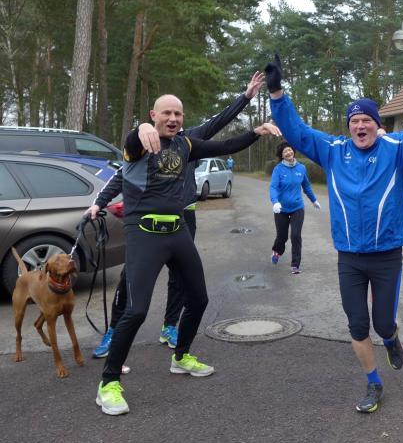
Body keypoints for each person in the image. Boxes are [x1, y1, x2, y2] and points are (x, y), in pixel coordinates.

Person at [266, 52, 403, 413]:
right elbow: (298, 132)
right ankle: (373, 383)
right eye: (354, 121)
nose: (360, 126)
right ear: (348, 126)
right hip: (350, 257)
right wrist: (277, 93)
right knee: (357, 325)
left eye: (366, 119)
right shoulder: (333, 151)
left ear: (376, 123)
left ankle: (392, 338)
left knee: (383, 323)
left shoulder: (397, 150)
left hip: (386, 256)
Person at [94, 93, 279, 416]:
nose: (173, 118)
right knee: (136, 311)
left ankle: (180, 357)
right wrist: (140, 129)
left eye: (178, 114)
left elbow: (224, 145)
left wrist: (255, 132)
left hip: (177, 230)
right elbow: (132, 142)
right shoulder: (139, 144)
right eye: (166, 113)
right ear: (153, 114)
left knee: (199, 298)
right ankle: (108, 383)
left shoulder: (186, 144)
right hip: (145, 232)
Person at [270, 141, 321, 274]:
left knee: (296, 235)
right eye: (285, 151)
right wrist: (275, 202)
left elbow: (306, 186)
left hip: (297, 207)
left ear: (293, 150)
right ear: (282, 155)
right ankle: (277, 252)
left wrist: (314, 200)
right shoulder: (278, 169)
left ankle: (295, 265)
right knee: (282, 237)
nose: (288, 152)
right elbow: (273, 187)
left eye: (290, 150)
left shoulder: (301, 168)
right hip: (281, 208)